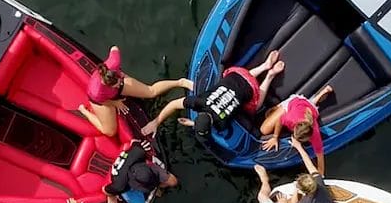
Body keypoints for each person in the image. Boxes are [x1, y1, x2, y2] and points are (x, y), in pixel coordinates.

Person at [145, 50, 285, 143]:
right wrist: (156, 121)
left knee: (256, 105)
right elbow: (174, 104)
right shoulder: (199, 102)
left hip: (251, 88)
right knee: (239, 81)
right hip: (237, 73)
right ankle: (264, 66)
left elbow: (174, 104)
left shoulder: (221, 124)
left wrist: (193, 124)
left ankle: (269, 75)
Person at [79, 46, 191, 137]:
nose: (119, 85)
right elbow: (102, 102)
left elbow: (114, 48)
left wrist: (120, 77)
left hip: (113, 83)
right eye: (115, 85)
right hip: (103, 100)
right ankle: (84, 111)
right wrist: (115, 103)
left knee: (151, 91)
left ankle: (180, 82)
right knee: (109, 131)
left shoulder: (114, 63)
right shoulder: (96, 91)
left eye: (118, 81)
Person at [101, 140, 180, 203]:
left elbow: (134, 141)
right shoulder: (120, 185)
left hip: (141, 168)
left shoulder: (139, 152)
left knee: (173, 181)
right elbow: (105, 189)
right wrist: (111, 196)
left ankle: (156, 186)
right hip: (128, 188)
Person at [258, 82, 332, 172]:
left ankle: (318, 96)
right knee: (264, 129)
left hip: (310, 109)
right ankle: (279, 107)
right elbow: (280, 120)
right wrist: (275, 137)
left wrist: (320, 175)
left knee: (311, 107)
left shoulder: (315, 135)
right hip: (295, 101)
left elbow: (320, 159)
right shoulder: (291, 118)